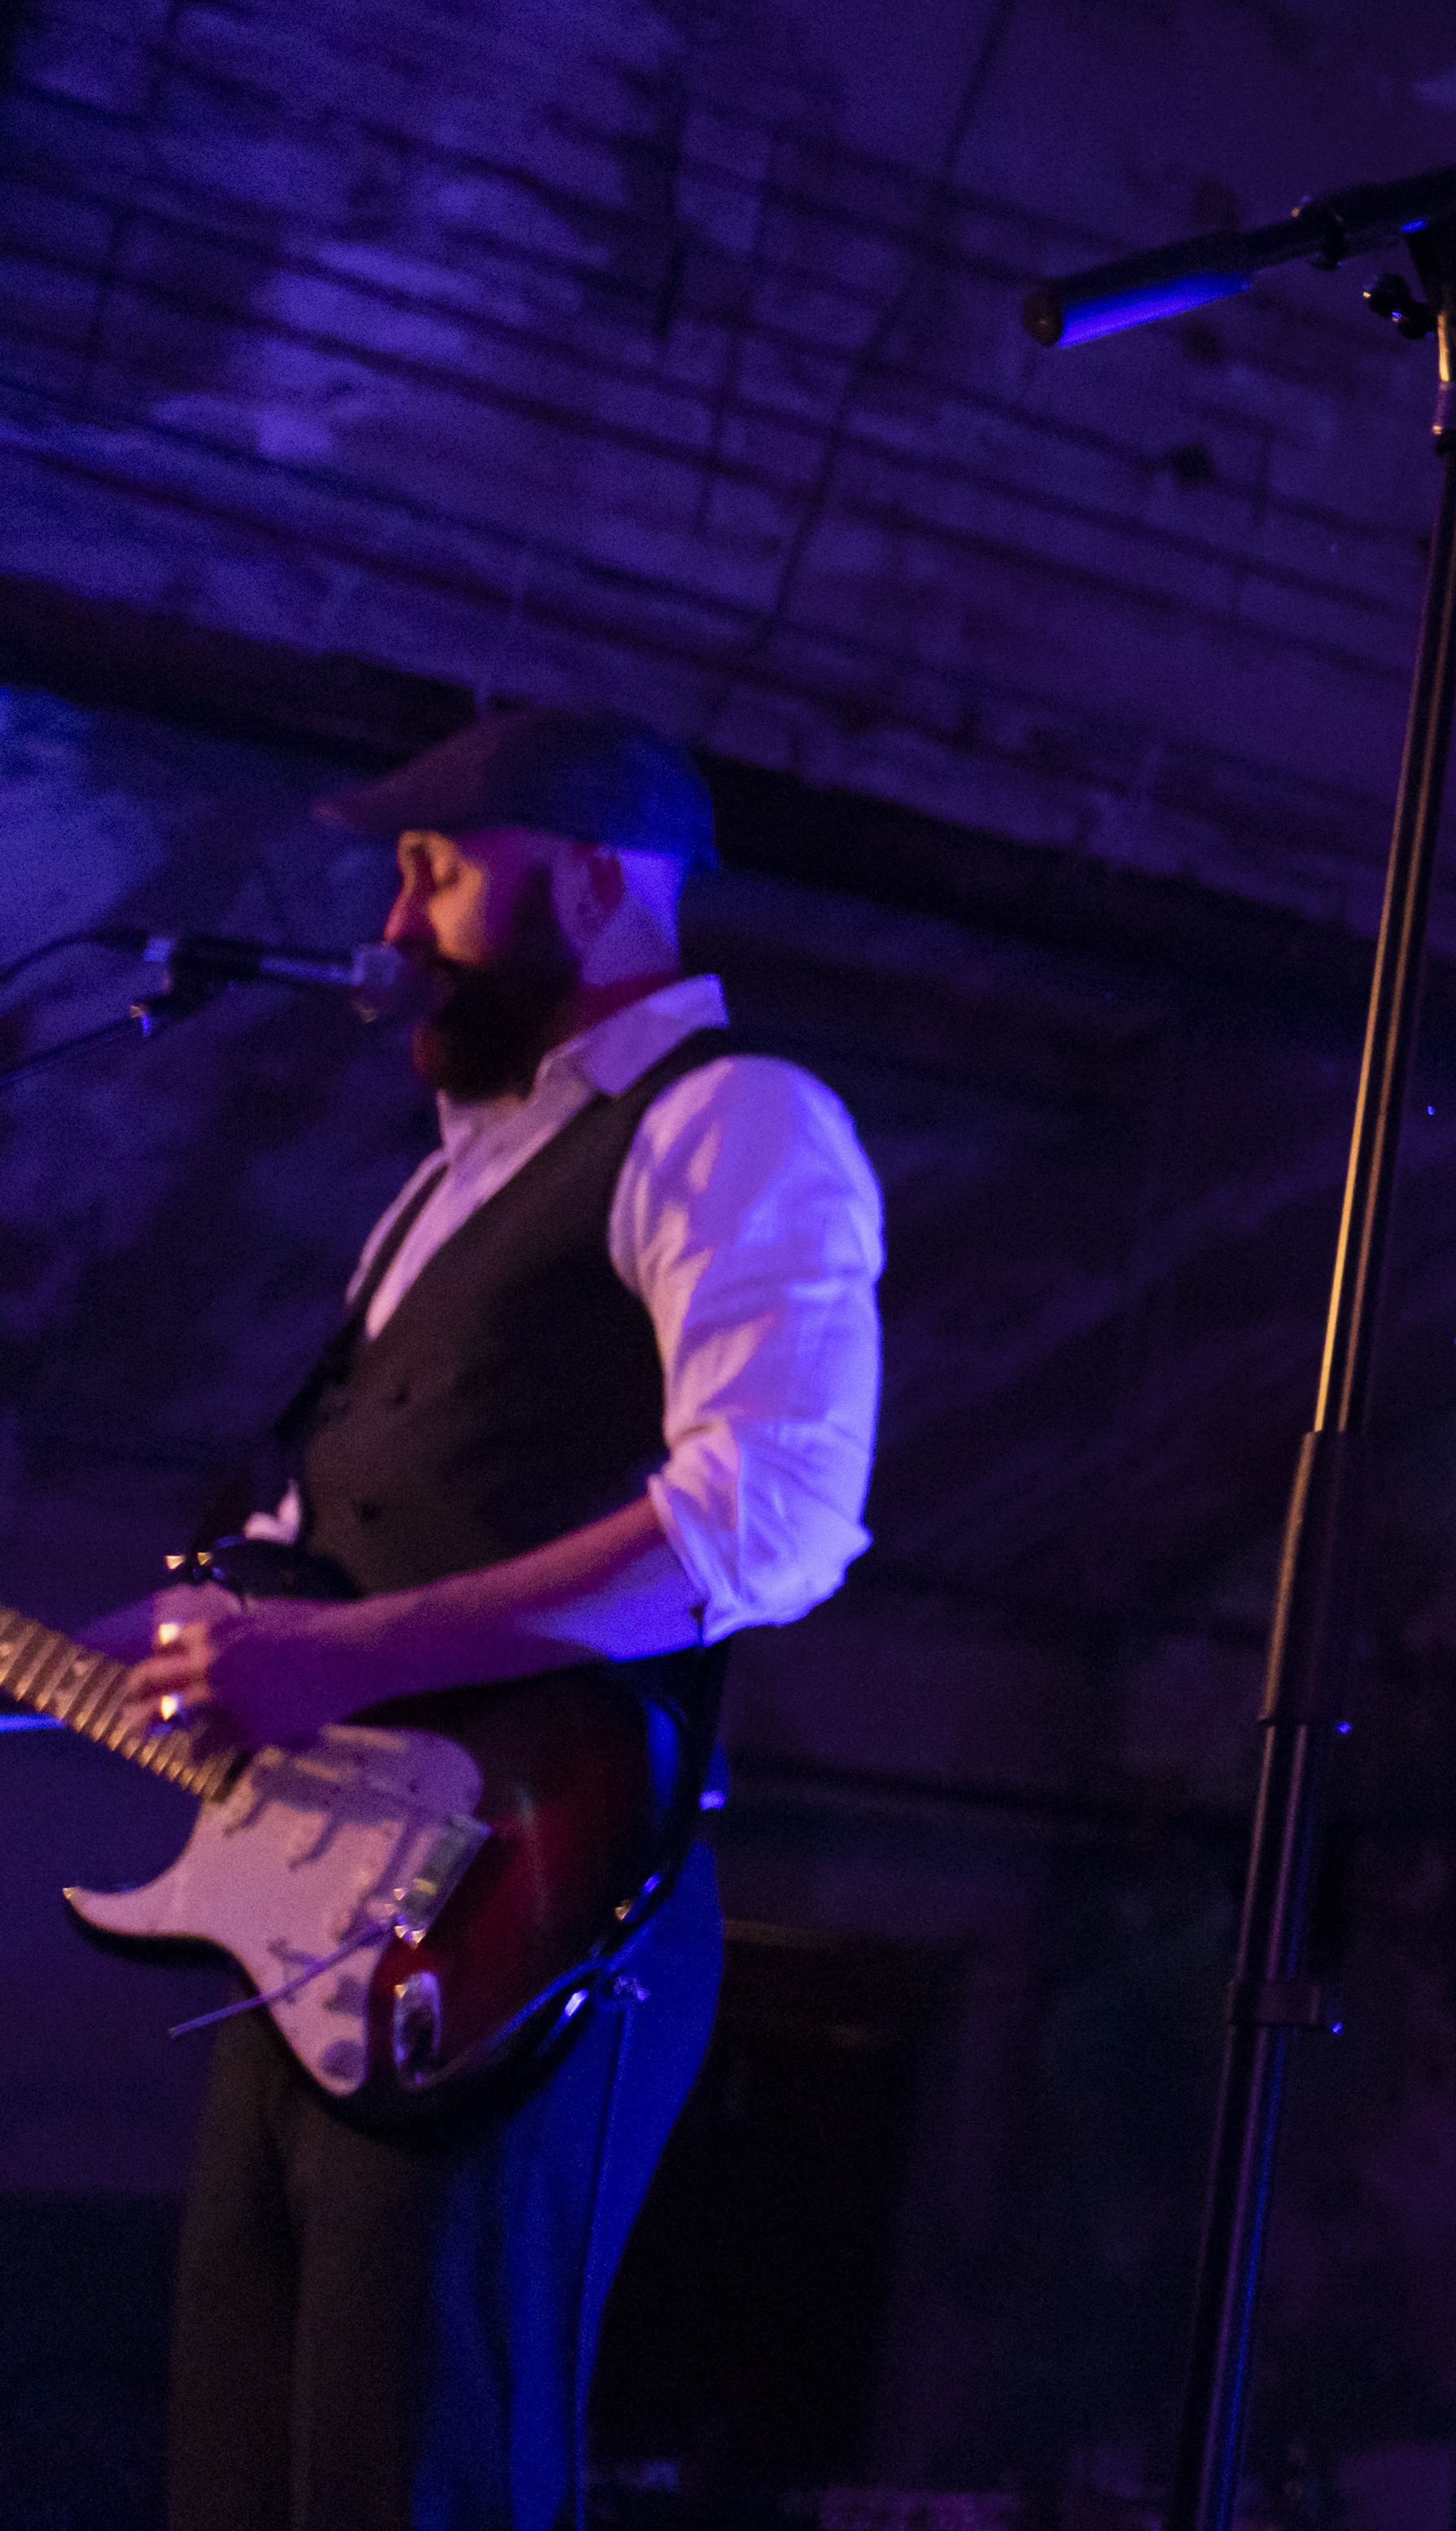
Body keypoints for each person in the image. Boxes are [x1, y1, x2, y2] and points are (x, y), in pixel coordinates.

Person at [90, 705, 885, 2531]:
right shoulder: (450, 1180)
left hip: (528, 1908)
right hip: (327, 1925)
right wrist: (187, 1636)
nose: (395, 918)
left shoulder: (736, 1120)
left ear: (597, 885)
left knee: (418, 2469)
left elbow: (768, 1517)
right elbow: (330, 1535)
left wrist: (348, 1657)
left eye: (440, 869)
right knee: (240, 2471)